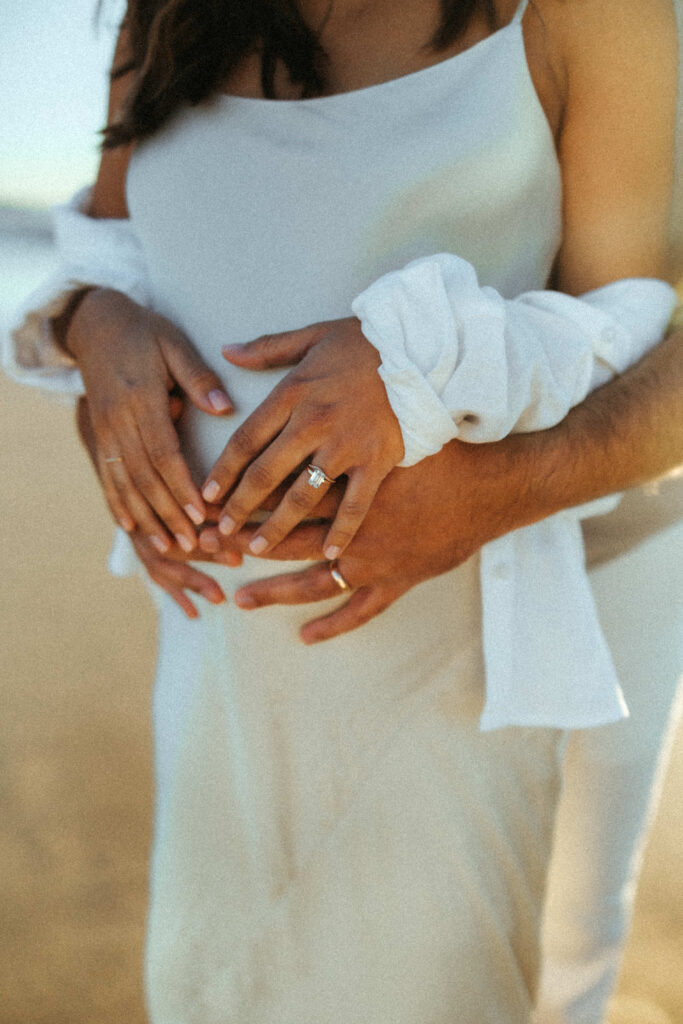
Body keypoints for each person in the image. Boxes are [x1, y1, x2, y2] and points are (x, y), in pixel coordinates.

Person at [5, 1, 682, 1021]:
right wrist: (97, 326)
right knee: (217, 978)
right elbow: (111, 244)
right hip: (223, 654)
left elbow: (633, 325)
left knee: (485, 975)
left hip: (468, 628)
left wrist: (420, 385)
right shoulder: (166, 12)